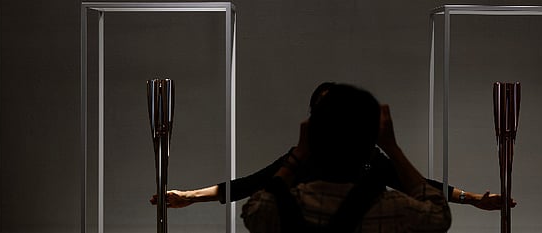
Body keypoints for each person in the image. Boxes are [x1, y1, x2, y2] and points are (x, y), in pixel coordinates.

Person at [151, 83, 514, 211]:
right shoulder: (303, 159)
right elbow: (250, 185)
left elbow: (421, 187)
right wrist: (191, 196)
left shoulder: (370, 159)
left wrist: (473, 200)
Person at [241, 83, 450, 233]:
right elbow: (439, 214)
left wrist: (299, 153)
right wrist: (392, 147)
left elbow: (255, 201)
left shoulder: (281, 207)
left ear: (311, 133)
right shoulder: (394, 208)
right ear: (371, 141)